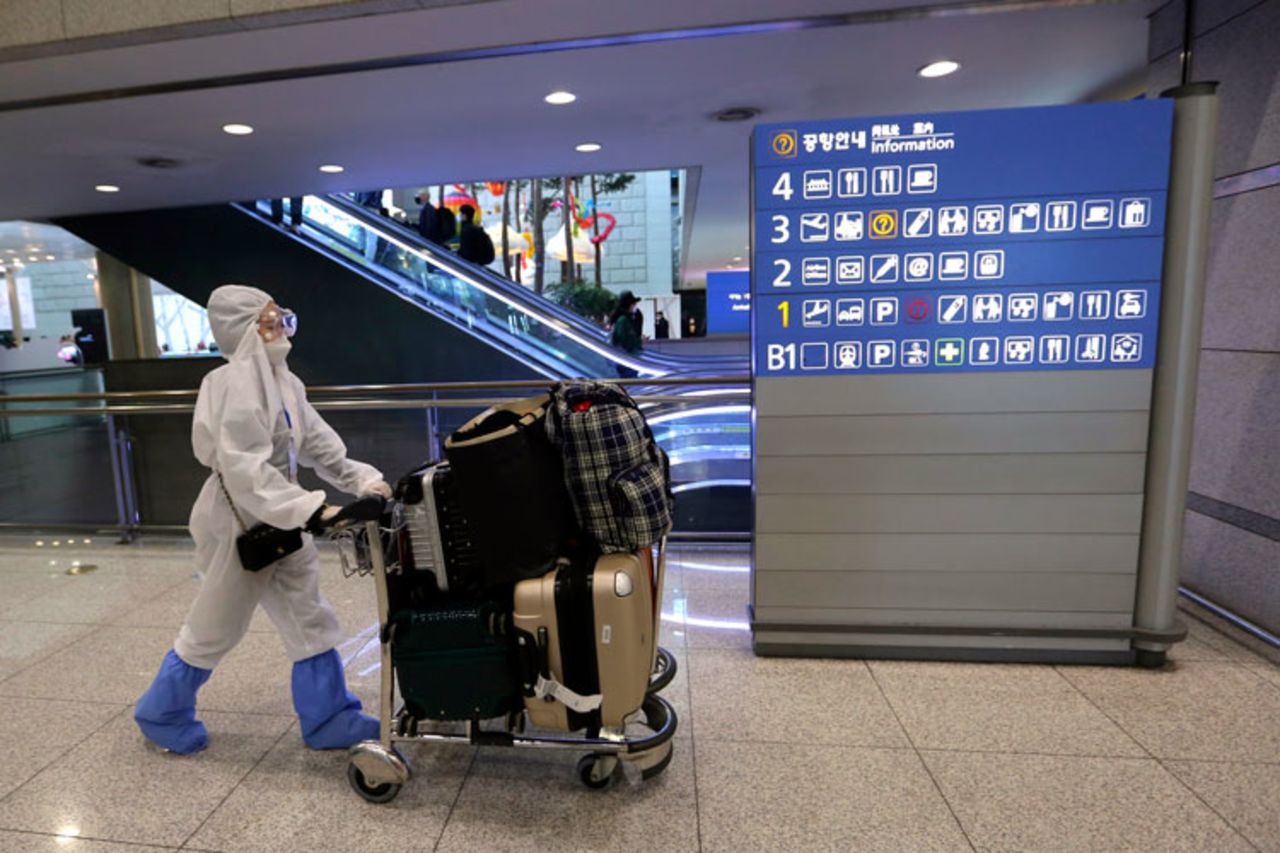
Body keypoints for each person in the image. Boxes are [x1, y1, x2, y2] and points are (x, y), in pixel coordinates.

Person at [134, 284, 391, 755]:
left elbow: (317, 444)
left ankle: (330, 716)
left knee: (308, 615)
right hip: (238, 519)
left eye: (281, 318)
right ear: (243, 330)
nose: (280, 328)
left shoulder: (285, 382)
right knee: (216, 624)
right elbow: (245, 469)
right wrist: (315, 510)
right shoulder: (229, 383)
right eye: (268, 321)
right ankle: (160, 712)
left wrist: (363, 481)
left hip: (283, 515)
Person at [609, 290, 643, 379]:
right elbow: (626, 342)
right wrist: (639, 341)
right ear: (629, 305)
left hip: (626, 360)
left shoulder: (623, 320)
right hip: (626, 361)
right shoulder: (623, 320)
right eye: (633, 304)